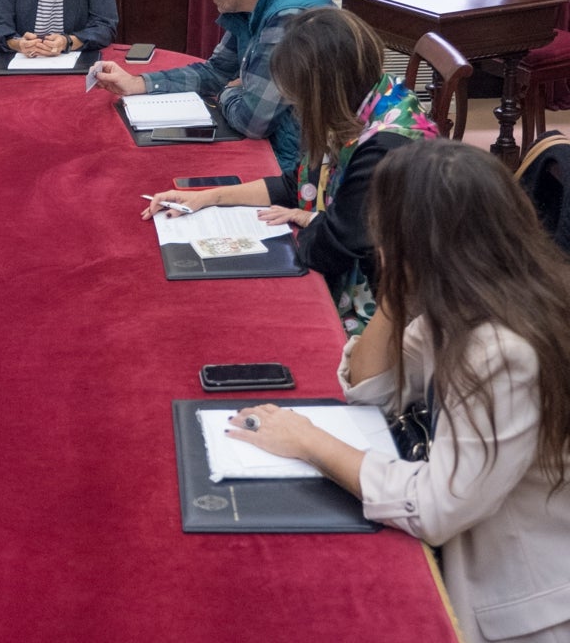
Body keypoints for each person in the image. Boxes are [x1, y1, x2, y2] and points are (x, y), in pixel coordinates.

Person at [226, 139, 570, 643]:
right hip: (474, 539)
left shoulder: (503, 349)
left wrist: (308, 441)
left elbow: (436, 509)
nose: (377, 246)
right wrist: (394, 290)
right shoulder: (468, 295)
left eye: (387, 233)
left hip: (517, 603)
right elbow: (370, 390)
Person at [142, 8, 439, 334]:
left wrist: (309, 223)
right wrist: (208, 197)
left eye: (298, 96)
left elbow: (329, 251)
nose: (296, 107)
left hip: (391, 307)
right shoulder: (371, 100)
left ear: (324, 89)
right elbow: (298, 183)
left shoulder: (382, 148)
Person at [94, 0, 332, 170]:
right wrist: (137, 83)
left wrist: (229, 92)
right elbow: (217, 71)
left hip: (300, 167)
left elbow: (252, 122)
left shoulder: (287, 18)